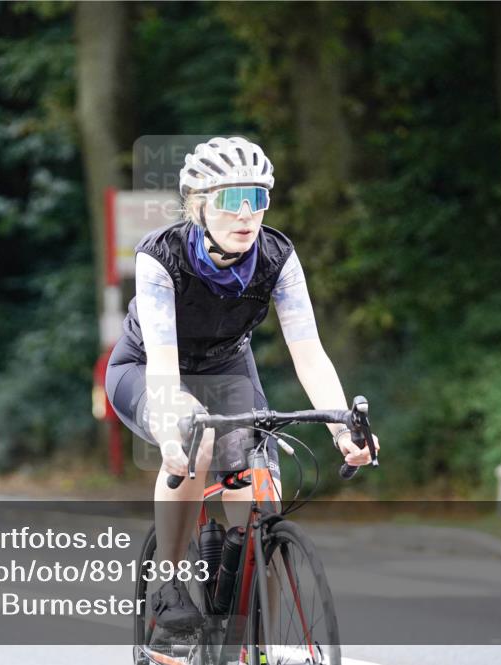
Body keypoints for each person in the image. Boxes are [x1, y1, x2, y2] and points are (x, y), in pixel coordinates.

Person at [105, 136, 380, 633]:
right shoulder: (160, 257)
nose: (246, 214)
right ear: (199, 205)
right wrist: (171, 432)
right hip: (147, 368)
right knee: (196, 435)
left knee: (261, 495)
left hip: (228, 367)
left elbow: (309, 353)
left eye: (257, 199)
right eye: (232, 199)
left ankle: (252, 635)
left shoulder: (277, 256)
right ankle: (167, 585)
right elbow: (165, 362)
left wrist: (341, 429)